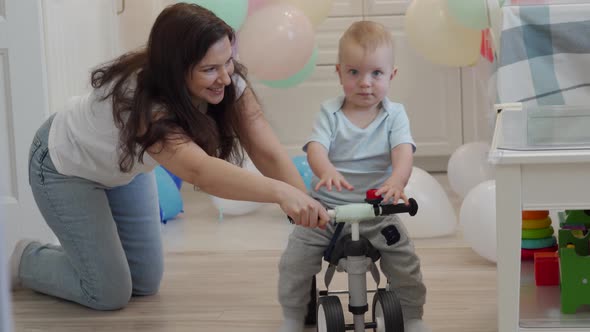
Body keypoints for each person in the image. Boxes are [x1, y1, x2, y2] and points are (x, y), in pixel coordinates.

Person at [9, 3, 329, 310]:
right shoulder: (144, 104)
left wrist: (309, 211)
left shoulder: (227, 80)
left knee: (145, 283)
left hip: (121, 171)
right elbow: (200, 172)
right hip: (65, 166)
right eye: (209, 69)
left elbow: (266, 150)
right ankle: (23, 259)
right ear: (176, 70)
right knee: (108, 293)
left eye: (228, 62)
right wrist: (279, 193)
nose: (226, 77)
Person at [278, 21, 430, 332]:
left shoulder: (394, 114)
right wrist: (327, 170)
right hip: (328, 212)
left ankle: (413, 316)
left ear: (392, 75)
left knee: (405, 261)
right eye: (354, 72)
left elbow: (403, 152)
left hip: (377, 210)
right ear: (339, 72)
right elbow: (316, 148)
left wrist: (396, 182)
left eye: (376, 73)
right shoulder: (330, 113)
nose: (365, 83)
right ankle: (292, 316)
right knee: (295, 261)